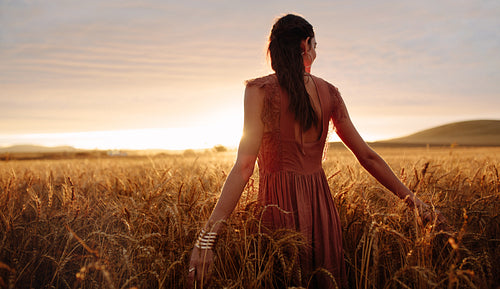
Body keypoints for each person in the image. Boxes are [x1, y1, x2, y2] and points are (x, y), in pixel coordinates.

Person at [187, 13, 446, 288]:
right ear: (306, 45)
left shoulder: (258, 91)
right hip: (322, 212)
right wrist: (416, 204)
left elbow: (243, 167)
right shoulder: (330, 92)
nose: (315, 52)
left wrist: (207, 238)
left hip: (277, 212)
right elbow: (367, 157)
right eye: (315, 46)